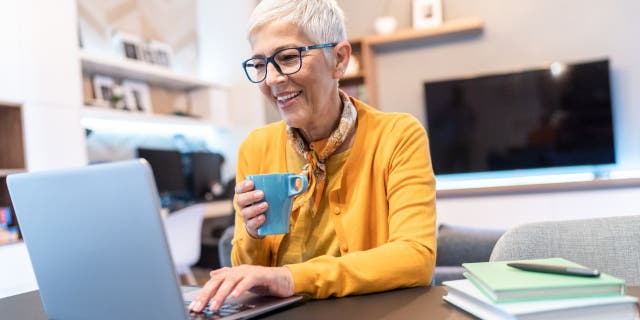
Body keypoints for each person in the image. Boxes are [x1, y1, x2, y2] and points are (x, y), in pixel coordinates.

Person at [189, 0, 436, 313]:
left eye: (289, 57)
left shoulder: (398, 136)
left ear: (340, 59)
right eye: (260, 64)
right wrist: (251, 233)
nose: (271, 80)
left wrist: (293, 278)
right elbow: (248, 274)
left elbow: (415, 258)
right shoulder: (255, 147)